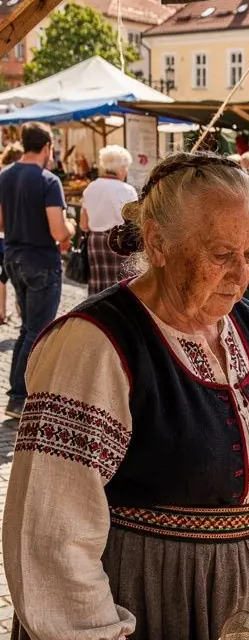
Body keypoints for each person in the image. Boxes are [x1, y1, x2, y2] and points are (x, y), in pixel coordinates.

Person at [2, 153, 249, 640]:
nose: (241, 274)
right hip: (146, 605)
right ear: (156, 242)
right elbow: (50, 522)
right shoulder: (96, 344)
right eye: (220, 255)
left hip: (243, 605)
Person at [0, 122, 73, 418]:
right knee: (39, 331)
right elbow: (58, 230)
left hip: (14, 257)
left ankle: (17, 394)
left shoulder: (4, 175)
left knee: (28, 329)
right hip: (41, 260)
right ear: (47, 147)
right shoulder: (48, 180)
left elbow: (0, 224)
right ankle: (20, 396)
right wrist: (71, 227)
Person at [79, 145, 138, 295]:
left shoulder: (90, 187)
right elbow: (135, 222)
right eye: (126, 168)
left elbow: (84, 225)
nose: (126, 172)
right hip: (119, 242)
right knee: (121, 288)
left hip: (95, 242)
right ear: (120, 168)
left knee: (99, 286)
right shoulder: (126, 190)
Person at [0, 141, 24, 325]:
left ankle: (3, 311)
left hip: (6, 237)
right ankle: (20, 312)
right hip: (13, 238)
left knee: (5, 275)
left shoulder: (4, 177)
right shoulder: (17, 178)